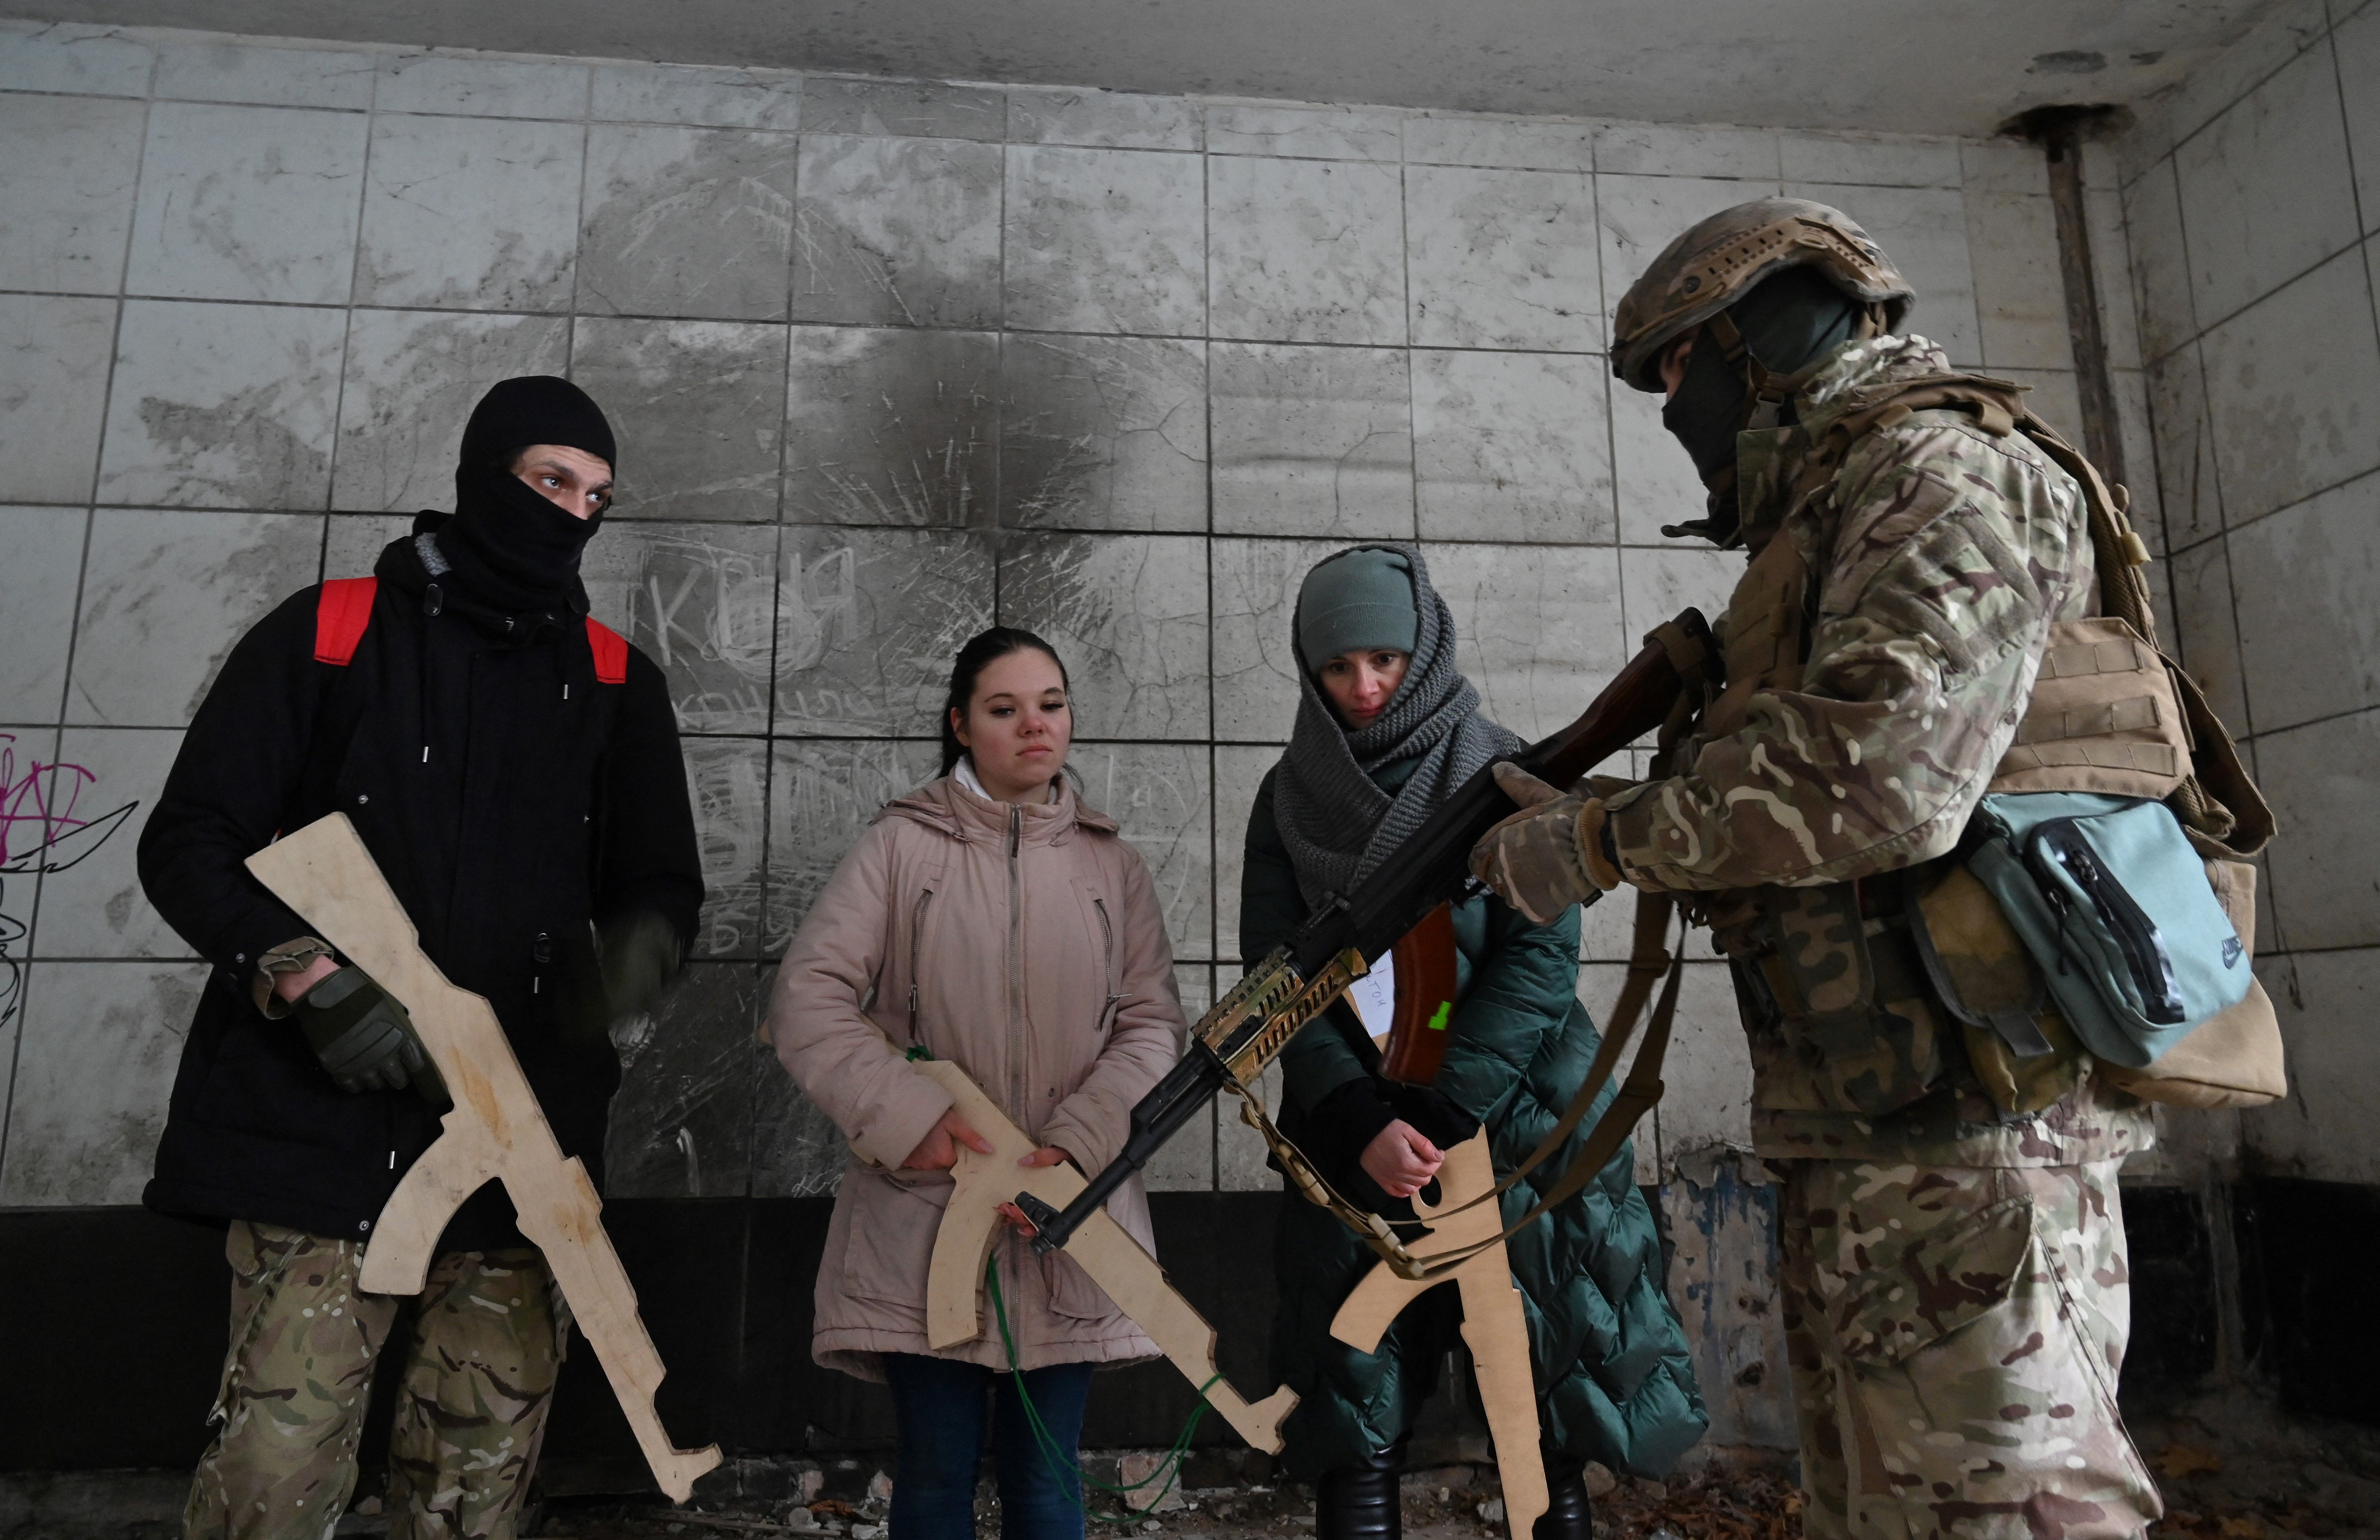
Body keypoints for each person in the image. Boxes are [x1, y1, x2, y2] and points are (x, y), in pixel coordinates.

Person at [1467, 199, 2170, 1536]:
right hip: (1876, 1121)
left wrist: (1602, 839)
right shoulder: (1848, 497)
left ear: (1763, 337)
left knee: (2003, 1512)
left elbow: (1887, 776)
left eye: (1683, 370)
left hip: (1975, 1140)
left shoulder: (1941, 475)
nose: (1679, 412)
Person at [140, 376, 703, 1540]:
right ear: (482, 474)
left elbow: (658, 884)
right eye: (551, 480)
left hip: (516, 1153)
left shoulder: (613, 683)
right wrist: (303, 972)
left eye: (598, 496)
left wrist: (636, 960)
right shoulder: (329, 631)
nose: (574, 513)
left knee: (468, 1494)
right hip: (314, 1145)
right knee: (272, 1483)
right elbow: (191, 839)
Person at [1242, 546, 1707, 1540]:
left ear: (1428, 647)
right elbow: (1275, 978)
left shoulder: (1497, 769)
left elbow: (1541, 958)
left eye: (1385, 659)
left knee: (1536, 1413)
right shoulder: (1288, 798)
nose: (1364, 687)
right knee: (1355, 1419)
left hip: (1519, 1127)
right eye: (1337, 667)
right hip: (1354, 1139)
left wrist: (1446, 1107)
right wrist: (1361, 1112)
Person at [767, 627, 1186, 1540]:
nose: (1036, 726)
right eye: (1005, 708)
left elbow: (1153, 1025)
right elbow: (808, 997)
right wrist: (912, 1116)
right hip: (924, 1213)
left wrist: (1082, 1138)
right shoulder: (900, 849)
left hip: (1069, 1218)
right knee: (935, 1472)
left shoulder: (1111, 864)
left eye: (1052, 703)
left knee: (1047, 1475)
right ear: (962, 725)